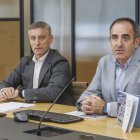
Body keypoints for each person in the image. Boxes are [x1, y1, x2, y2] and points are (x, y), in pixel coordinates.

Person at [77, 17, 140, 116]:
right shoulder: (104, 62)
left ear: (136, 42)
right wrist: (86, 103)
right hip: (107, 127)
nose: (119, 44)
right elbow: (90, 93)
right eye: (115, 37)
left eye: (125, 38)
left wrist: (106, 108)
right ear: (110, 40)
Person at [0, 21, 75, 105]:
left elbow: (53, 92)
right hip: (32, 109)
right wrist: (5, 90)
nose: (37, 43)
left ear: (50, 39)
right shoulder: (25, 62)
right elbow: (5, 83)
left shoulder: (60, 63)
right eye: (33, 38)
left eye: (41, 38)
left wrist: (20, 92)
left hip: (57, 111)